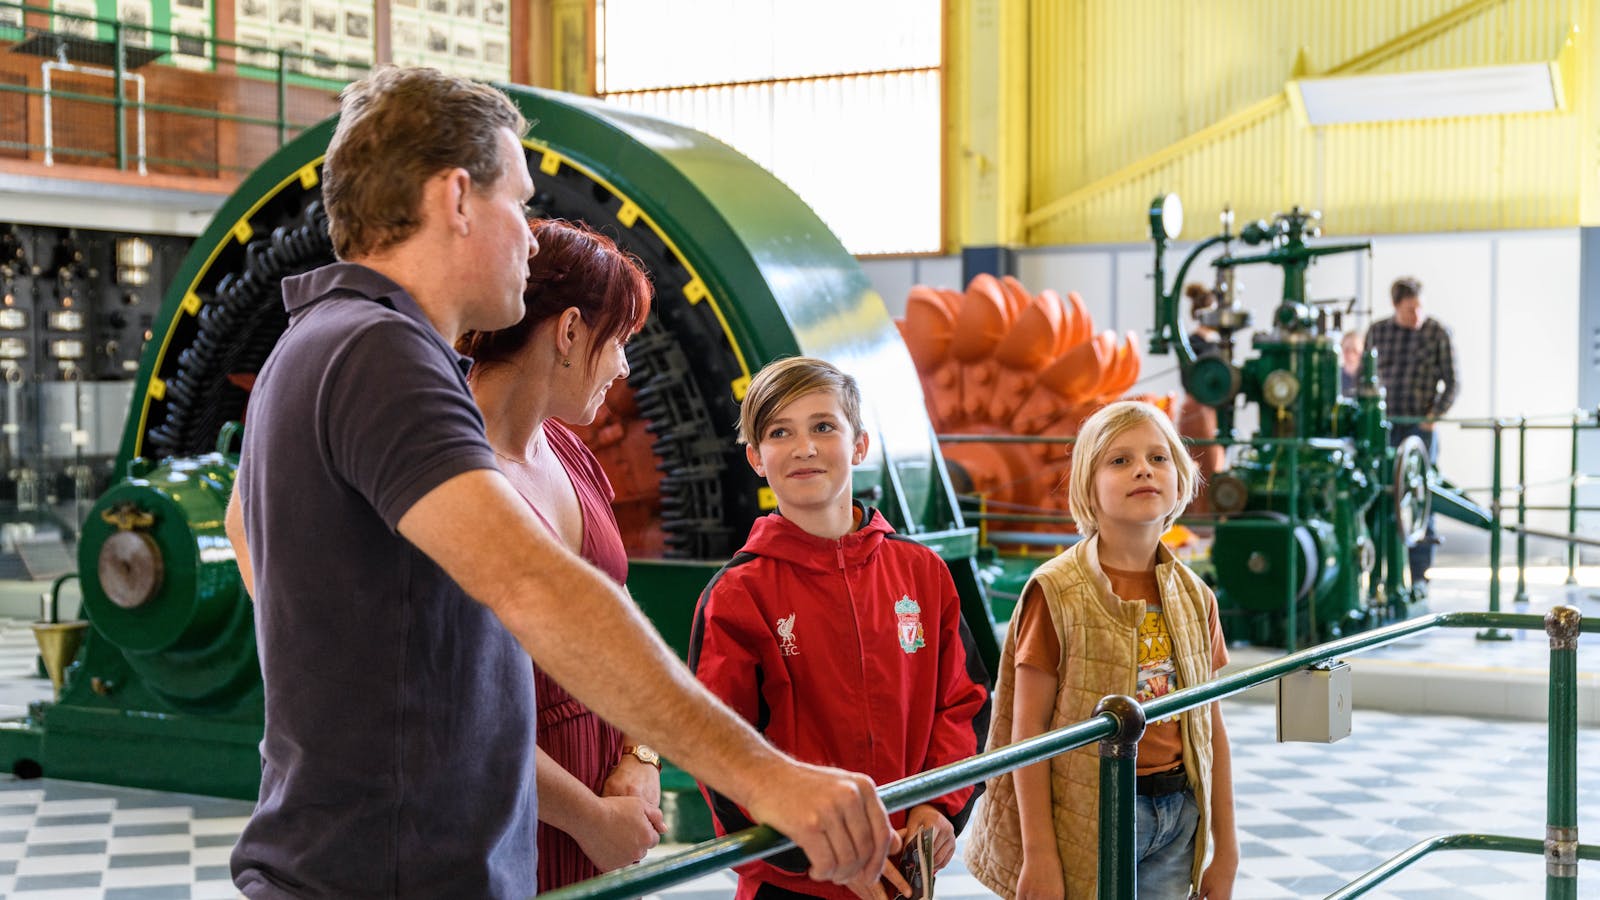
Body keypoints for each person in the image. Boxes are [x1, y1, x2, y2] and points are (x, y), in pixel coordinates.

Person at [223, 66, 895, 899]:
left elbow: (244, 525)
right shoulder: (378, 351)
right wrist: (770, 779)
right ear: (456, 199)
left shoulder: (315, 339)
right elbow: (536, 585)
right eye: (521, 202)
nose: (534, 238)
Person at [688, 356, 991, 900]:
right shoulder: (738, 595)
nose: (804, 447)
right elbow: (719, 754)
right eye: (781, 431)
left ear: (859, 446)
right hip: (796, 883)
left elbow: (964, 704)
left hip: (902, 866)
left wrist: (938, 804)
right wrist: (821, 854)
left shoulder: (921, 574)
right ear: (756, 458)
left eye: (824, 426)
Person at [458, 218, 666, 889]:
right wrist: (589, 821)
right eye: (620, 342)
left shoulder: (571, 451)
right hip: (506, 824)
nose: (625, 366)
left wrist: (643, 755)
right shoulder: (452, 476)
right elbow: (459, 705)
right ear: (569, 332)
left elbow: (620, 620)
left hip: (605, 807)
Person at [965, 400, 1237, 900]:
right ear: (1088, 485)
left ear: (1180, 479)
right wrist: (1040, 855)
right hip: (1088, 815)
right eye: (1119, 460)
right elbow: (1027, 735)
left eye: (1159, 458)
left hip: (1178, 815)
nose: (1143, 469)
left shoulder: (1196, 596)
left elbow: (1210, 730)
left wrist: (1227, 849)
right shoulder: (1056, 592)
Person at [1364, 276, 1457, 585]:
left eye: (1418, 308)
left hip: (1420, 429)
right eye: (1408, 310)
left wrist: (1434, 414)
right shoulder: (1378, 332)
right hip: (1384, 428)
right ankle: (1376, 571)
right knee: (1378, 493)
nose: (1415, 315)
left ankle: (1419, 574)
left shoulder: (1437, 332)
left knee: (1420, 494)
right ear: (1395, 307)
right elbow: (1367, 380)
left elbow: (1453, 382)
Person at [1175, 283, 1223, 518]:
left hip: (1210, 411)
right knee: (1203, 467)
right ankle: (1199, 519)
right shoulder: (1194, 343)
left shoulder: (1215, 343)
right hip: (1197, 410)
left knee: (1214, 467)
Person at [1339, 329, 1365, 396]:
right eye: (1347, 350)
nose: (1350, 355)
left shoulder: (1367, 377)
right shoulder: (1336, 375)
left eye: (1355, 350)